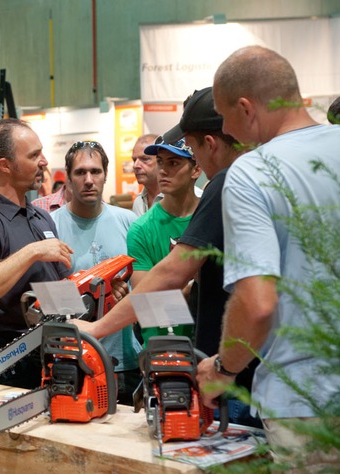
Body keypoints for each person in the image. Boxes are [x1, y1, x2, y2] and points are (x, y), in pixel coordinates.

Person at [72, 87, 259, 425]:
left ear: (207, 149)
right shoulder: (260, 175)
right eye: (161, 162)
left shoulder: (227, 184)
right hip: (242, 365)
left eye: (183, 158)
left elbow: (169, 274)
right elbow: (156, 296)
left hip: (235, 373)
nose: (163, 170)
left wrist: (97, 327)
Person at [195, 46, 340, 469]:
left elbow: (257, 304)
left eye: (223, 115)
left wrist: (222, 368)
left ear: (246, 108)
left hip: (307, 405)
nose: (223, 127)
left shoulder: (252, 173)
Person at [0, 118, 74, 390]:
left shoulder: (41, 218)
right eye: (34, 155)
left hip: (52, 349)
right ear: (5, 165)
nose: (44, 161)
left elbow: (58, 289)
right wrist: (32, 252)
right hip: (10, 360)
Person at [49, 140, 140, 405]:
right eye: (80, 173)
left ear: (105, 175)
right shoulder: (51, 227)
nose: (89, 180)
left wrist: (124, 292)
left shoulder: (129, 223)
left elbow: (143, 288)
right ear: (67, 178)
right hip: (71, 359)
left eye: (95, 172)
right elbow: (47, 300)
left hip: (125, 361)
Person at [126, 136, 201, 344]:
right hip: (162, 350)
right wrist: (192, 290)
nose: (163, 171)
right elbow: (146, 307)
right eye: (160, 162)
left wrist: (170, 293)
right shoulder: (141, 229)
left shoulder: (212, 218)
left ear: (196, 170)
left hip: (211, 348)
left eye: (174, 163)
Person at [130, 134, 159, 216]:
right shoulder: (138, 201)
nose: (135, 165)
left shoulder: (183, 199)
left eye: (145, 159)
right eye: (134, 159)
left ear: (161, 161)